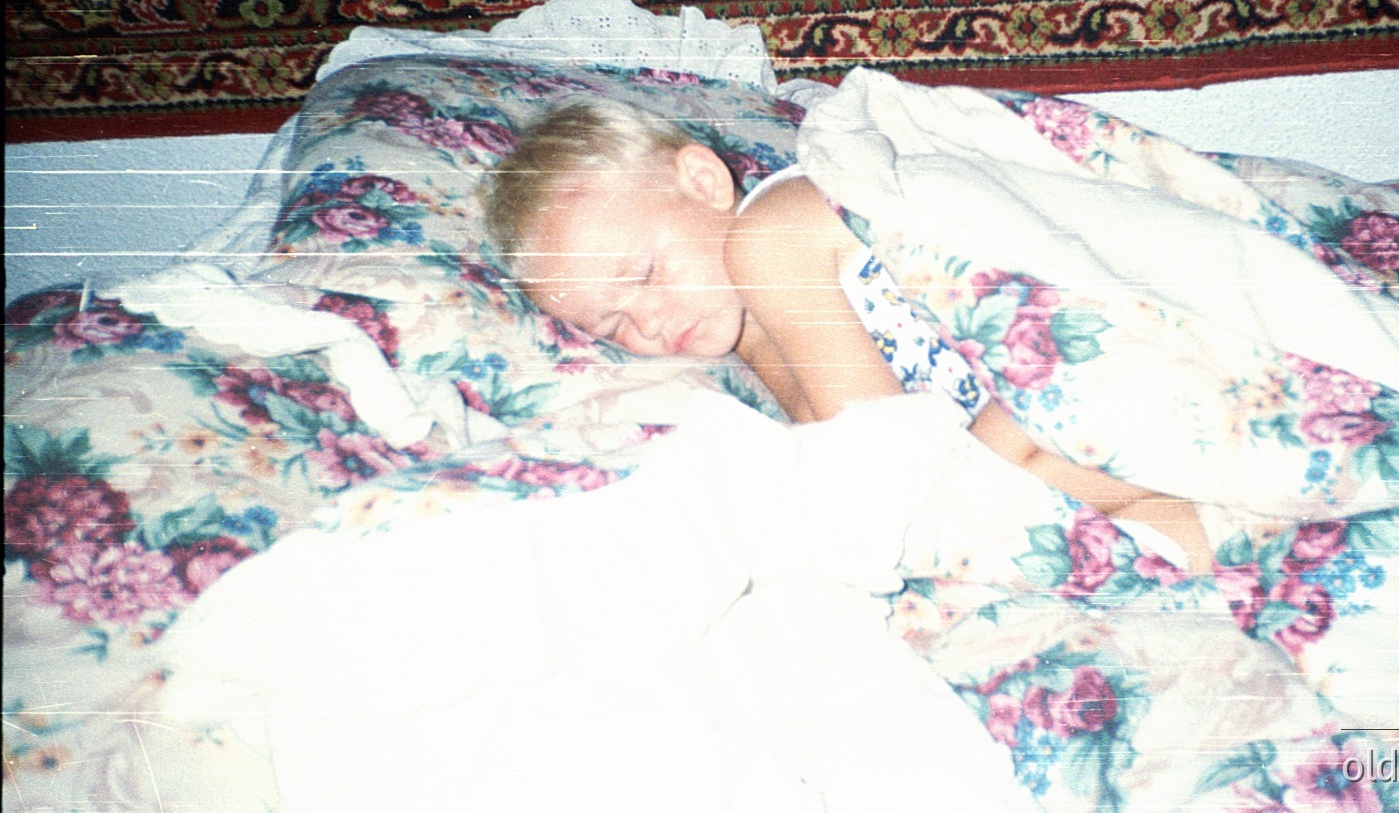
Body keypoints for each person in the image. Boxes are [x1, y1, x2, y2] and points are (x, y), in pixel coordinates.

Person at [486, 95, 1213, 571]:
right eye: (611, 323)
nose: (647, 322)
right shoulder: (753, 342)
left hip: (1095, 326)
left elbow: (878, 449)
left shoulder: (772, 234)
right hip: (1078, 408)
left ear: (704, 184)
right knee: (1063, 524)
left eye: (644, 274)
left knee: (969, 494)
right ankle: (1224, 536)